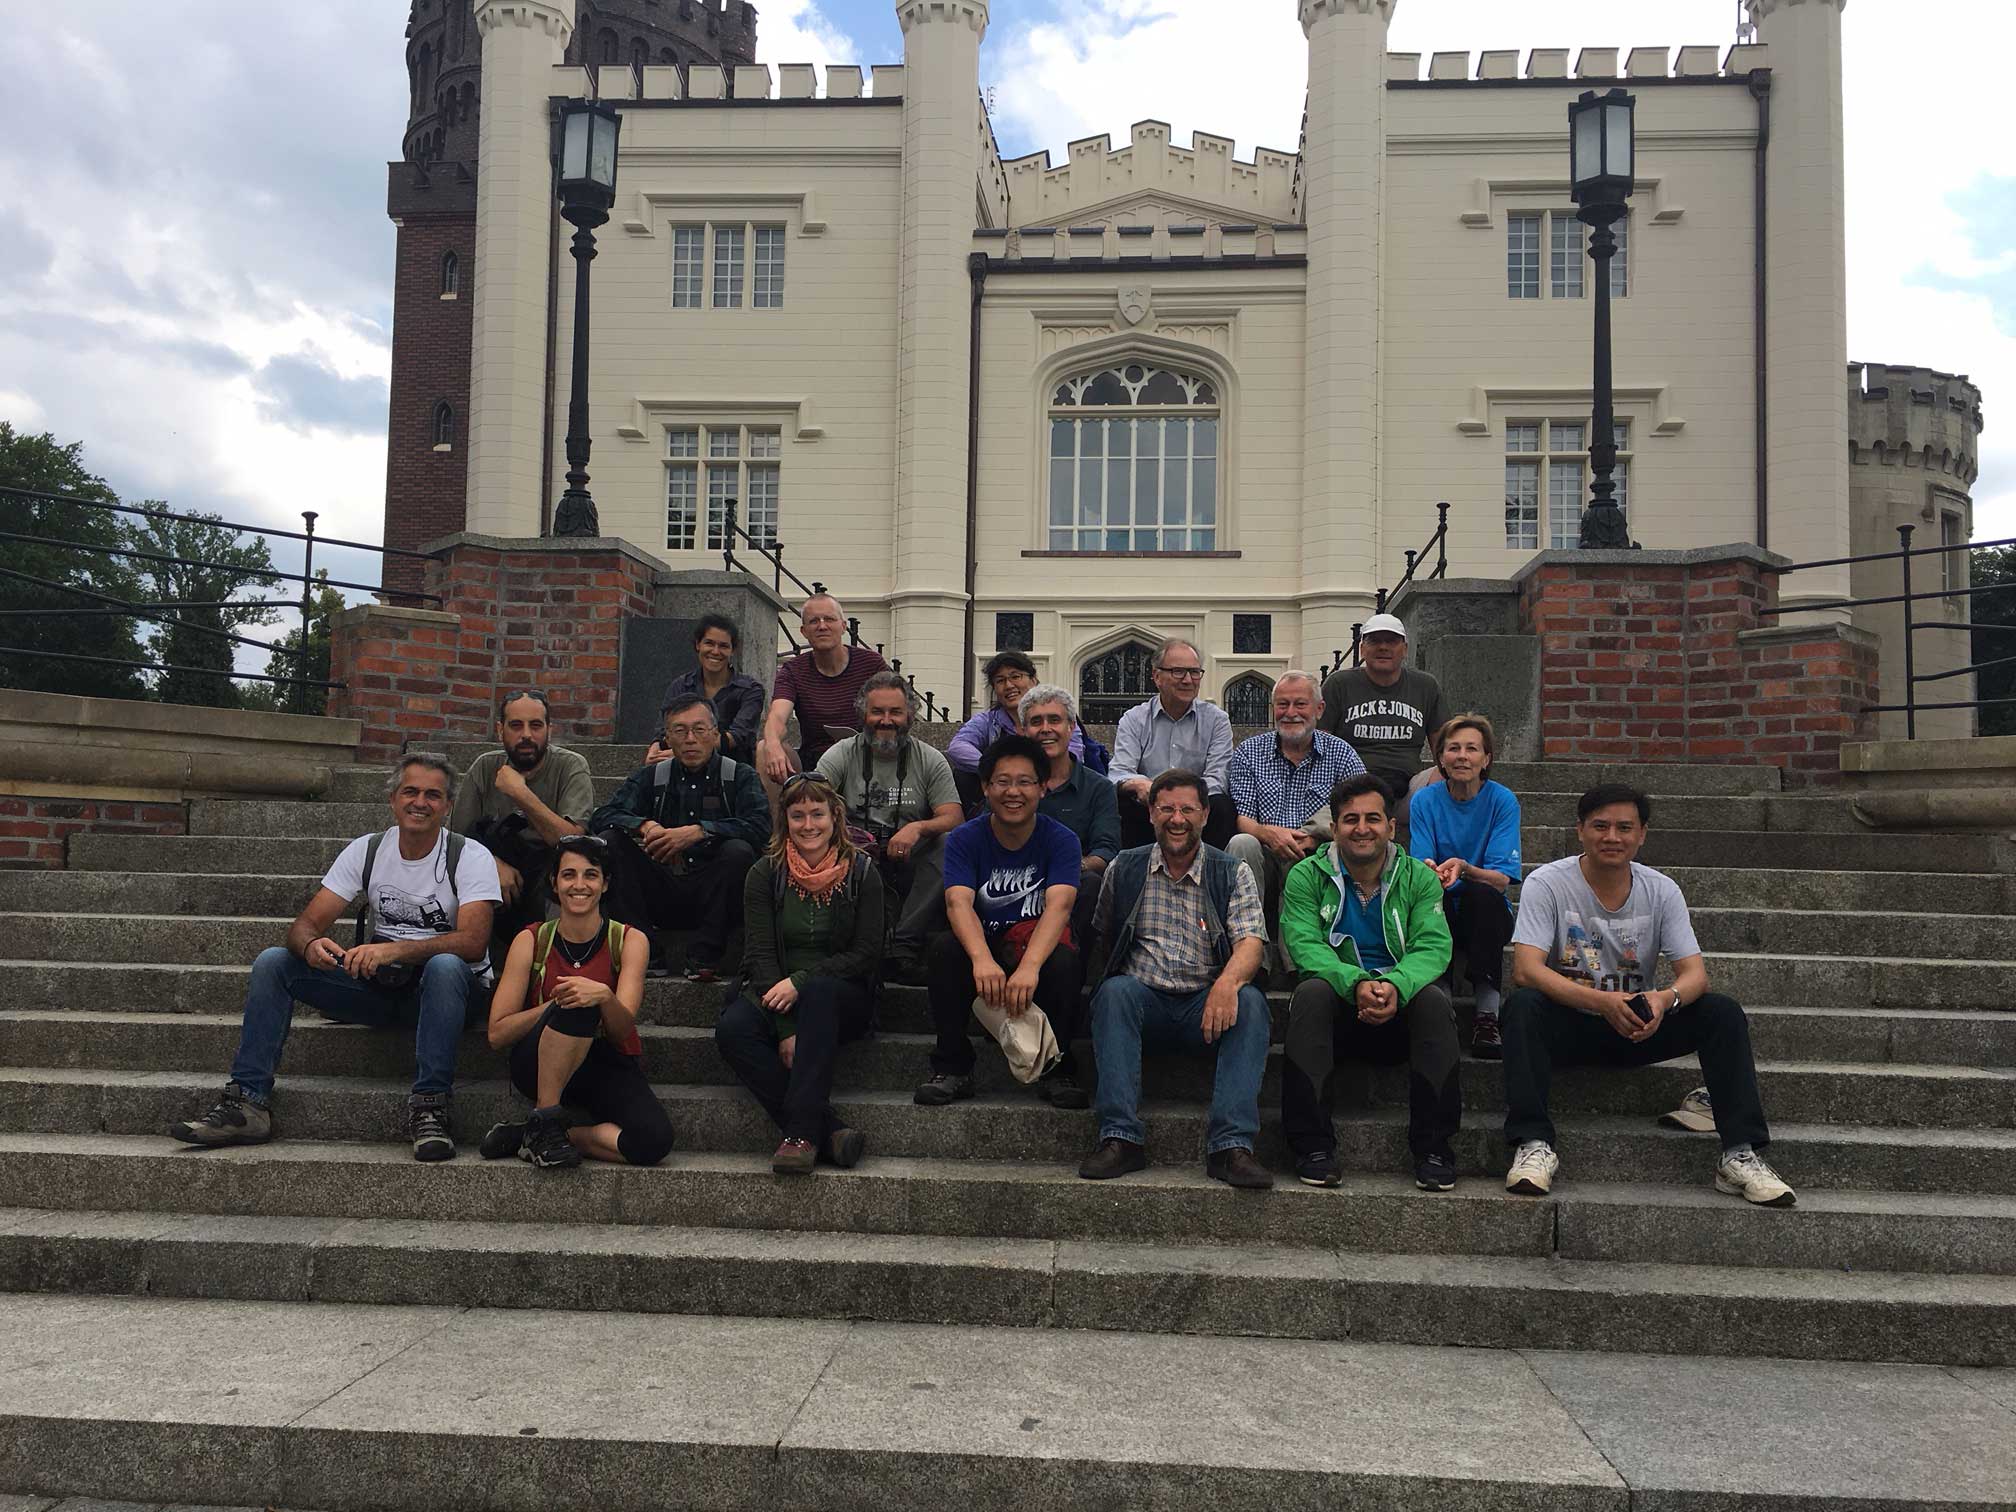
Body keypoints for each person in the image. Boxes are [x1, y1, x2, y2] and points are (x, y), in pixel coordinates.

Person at [168, 753, 500, 1161]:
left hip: (449, 994)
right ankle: (247, 1104)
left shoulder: (470, 855)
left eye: (433, 795)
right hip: (378, 987)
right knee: (275, 962)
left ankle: (431, 1107)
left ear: (448, 806)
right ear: (393, 799)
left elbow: (473, 943)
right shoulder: (368, 850)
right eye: (410, 791)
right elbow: (303, 926)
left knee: (446, 965)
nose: (420, 802)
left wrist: (395, 949)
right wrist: (310, 946)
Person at [1502, 784, 1796, 1207]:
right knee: (1523, 1006)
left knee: (1722, 1013)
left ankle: (1739, 1154)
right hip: (1568, 1025)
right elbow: (1526, 969)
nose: (1612, 837)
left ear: (1642, 835)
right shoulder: (1547, 883)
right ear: (1580, 831)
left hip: (1636, 1027)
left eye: (1625, 827)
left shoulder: (1661, 890)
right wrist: (1601, 1003)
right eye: (1600, 826)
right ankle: (1532, 1144)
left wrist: (1664, 1000)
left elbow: (1695, 975)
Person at [1081, 769, 1273, 1189]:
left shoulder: (1231, 871)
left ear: (1205, 814)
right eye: (1166, 808)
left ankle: (1231, 1147)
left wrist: (1226, 984)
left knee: (1253, 1003)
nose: (1177, 818)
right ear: (1151, 813)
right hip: (1142, 1001)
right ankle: (1120, 1138)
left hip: (1205, 1006)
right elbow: (1104, 934)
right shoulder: (1124, 867)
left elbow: (1251, 945)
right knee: (1114, 993)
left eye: (1188, 808)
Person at [1279, 773, 1460, 1192]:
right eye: (1350, 819)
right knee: (1310, 992)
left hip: (1400, 1014)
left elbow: (1432, 947)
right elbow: (1305, 946)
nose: (1362, 829)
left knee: (1434, 1000)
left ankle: (1434, 1149)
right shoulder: (1306, 876)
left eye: (1373, 819)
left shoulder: (1419, 877)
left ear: (1391, 827)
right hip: (1337, 1015)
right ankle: (1313, 1147)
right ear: (1335, 827)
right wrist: (1356, 983)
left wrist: (1395, 985)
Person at [715, 772, 883, 1173]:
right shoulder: (764, 873)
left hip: (842, 996)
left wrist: (801, 983)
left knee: (821, 992)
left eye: (817, 814)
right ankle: (829, 1131)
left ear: (835, 816)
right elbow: (759, 953)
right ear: (784, 820)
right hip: (775, 989)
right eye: (798, 815)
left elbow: (866, 952)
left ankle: (802, 1135)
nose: (808, 825)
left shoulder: (862, 872)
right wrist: (788, 1028)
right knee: (733, 1028)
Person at [915, 734, 1089, 1110]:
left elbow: (1059, 907)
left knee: (1064, 961)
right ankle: (953, 1066)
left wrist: (1028, 968)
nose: (1014, 792)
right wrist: (981, 960)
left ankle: (1057, 1068)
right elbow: (957, 901)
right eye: (1002, 781)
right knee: (945, 949)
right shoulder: (964, 838)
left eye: (1025, 782)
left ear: (1043, 788)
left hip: (1034, 947)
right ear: (985, 787)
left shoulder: (1062, 840)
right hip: (986, 950)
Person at [478, 834, 672, 1170]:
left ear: (606, 884)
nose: (579, 885)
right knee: (574, 1004)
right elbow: (497, 1034)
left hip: (603, 1062)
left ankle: (540, 1132)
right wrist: (554, 1006)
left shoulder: (629, 940)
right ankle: (546, 1115)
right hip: (539, 1063)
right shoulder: (531, 939)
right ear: (554, 882)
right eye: (569, 875)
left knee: (654, 1140)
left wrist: (605, 997)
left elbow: (622, 1029)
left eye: (590, 875)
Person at [590, 695, 769, 981]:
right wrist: (644, 826)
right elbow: (602, 816)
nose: (690, 739)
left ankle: (704, 957)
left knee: (739, 851)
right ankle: (645, 950)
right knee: (609, 842)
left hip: (717, 894)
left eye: (699, 730)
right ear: (667, 739)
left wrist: (699, 831)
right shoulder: (652, 777)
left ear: (714, 734)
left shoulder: (740, 776)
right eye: (679, 731)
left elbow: (761, 827)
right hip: (662, 886)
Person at [815, 671, 963, 981]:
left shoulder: (931, 759)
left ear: (910, 715)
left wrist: (918, 828)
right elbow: (812, 806)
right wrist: (847, 838)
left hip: (910, 854)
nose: (886, 720)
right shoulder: (841, 754)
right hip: (853, 853)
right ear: (863, 714)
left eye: (895, 712)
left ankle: (902, 944)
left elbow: (953, 817)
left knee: (952, 843)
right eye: (877, 711)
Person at [449, 689, 596, 963]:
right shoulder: (484, 767)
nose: (526, 735)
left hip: (548, 868)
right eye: (516, 725)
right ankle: (472, 962)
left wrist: (520, 793)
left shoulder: (570, 765)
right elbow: (454, 842)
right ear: (499, 730)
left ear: (549, 730)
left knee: (568, 866)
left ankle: (556, 963)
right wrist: (489, 863)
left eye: (536, 725)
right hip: (499, 874)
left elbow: (573, 842)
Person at [1406, 714, 1521, 1059]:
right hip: (1440, 901)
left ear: (1486, 758)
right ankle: (1440, 1006)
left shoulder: (1502, 801)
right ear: (1440, 757)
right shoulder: (1424, 801)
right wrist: (1434, 872)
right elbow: (1420, 863)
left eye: (1472, 749)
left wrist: (1466, 868)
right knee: (1429, 896)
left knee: (1482, 894)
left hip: (1486, 910)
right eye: (1453, 748)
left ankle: (1487, 1015)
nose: (1462, 756)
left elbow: (1502, 879)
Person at [1224, 670, 1366, 944]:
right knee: (1241, 842)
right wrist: (1269, 834)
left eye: (1300, 704)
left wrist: (1312, 837)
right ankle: (1250, 955)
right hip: (1261, 849)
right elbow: (1243, 818)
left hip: (1317, 851)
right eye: (1282, 704)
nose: (1290, 713)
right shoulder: (1248, 751)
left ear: (1319, 709)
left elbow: (1360, 808)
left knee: (1328, 851)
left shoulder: (1342, 753)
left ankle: (1299, 963)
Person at [1019, 683, 1120, 965]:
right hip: (1012, 879)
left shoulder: (1099, 787)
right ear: (1023, 730)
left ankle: (1074, 964)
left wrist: (1068, 868)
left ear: (1072, 726)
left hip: (1073, 882)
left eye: (1055, 720)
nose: (1045, 728)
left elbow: (1106, 850)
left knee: (1090, 883)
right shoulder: (1009, 784)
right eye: (1036, 722)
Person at [755, 592, 888, 798]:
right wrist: (772, 744)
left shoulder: (871, 664)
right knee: (765, 748)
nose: (822, 626)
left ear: (843, 626)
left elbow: (894, 710)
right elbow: (778, 716)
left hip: (864, 757)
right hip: (812, 763)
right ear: (803, 631)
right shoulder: (793, 670)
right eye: (814, 621)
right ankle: (780, 828)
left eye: (830, 619)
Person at [1108, 637, 1236, 850]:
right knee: (1121, 804)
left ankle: (1212, 876)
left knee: (1221, 806)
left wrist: (1182, 800)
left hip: (1197, 808)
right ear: (1157, 676)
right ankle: (1131, 875)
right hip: (1149, 809)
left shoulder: (1217, 720)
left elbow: (1218, 777)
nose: (1188, 680)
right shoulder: (1134, 719)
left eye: (1194, 672)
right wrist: (1142, 785)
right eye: (1178, 671)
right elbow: (1118, 773)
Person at [1317, 612, 1443, 823]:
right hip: (1349, 789)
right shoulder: (1338, 684)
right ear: (1362, 649)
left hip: (1407, 788)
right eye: (1375, 640)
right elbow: (1318, 745)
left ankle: (1437, 851)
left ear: (1405, 649)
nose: (1383, 647)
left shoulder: (1426, 686)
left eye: (1392, 641)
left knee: (1447, 772)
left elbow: (1445, 747)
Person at [948, 651, 1085, 810]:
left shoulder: (1060, 716)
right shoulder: (989, 720)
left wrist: (1033, 775)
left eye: (1016, 677)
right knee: (963, 776)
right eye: (1000, 681)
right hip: (1005, 796)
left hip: (1052, 789)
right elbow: (958, 746)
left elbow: (1075, 755)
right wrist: (997, 769)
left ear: (1033, 680)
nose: (1009, 686)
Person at [648, 613, 765, 762]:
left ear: (732, 650)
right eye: (709, 643)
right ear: (698, 645)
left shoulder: (751, 690)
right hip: (682, 767)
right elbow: (663, 730)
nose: (715, 651)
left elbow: (738, 736)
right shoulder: (681, 686)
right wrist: (654, 749)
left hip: (733, 770)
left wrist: (685, 751)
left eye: (723, 646)